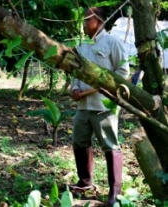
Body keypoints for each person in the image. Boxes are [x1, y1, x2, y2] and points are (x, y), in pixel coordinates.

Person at [69, 7, 130, 206]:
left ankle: (115, 192)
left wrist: (99, 88)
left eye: (87, 20)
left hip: (104, 106)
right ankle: (85, 182)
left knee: (110, 145)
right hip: (83, 105)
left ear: (99, 21)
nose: (84, 25)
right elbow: (75, 71)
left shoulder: (113, 43)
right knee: (79, 141)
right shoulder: (82, 46)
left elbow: (122, 72)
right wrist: (75, 88)